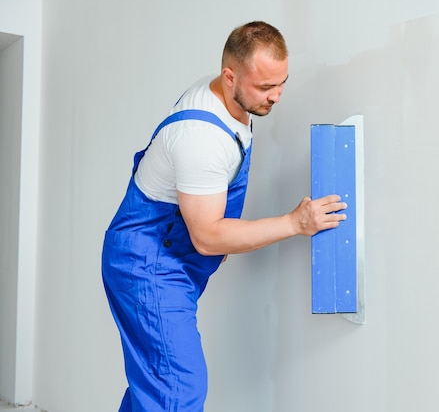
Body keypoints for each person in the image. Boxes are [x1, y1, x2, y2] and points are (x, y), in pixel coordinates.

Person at [101, 21, 346, 412]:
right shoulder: (202, 136)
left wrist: (215, 233)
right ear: (229, 76)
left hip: (166, 255)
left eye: (281, 82)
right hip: (148, 264)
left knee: (154, 385)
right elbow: (205, 237)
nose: (276, 96)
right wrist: (294, 223)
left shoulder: (228, 98)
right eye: (265, 88)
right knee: (177, 390)